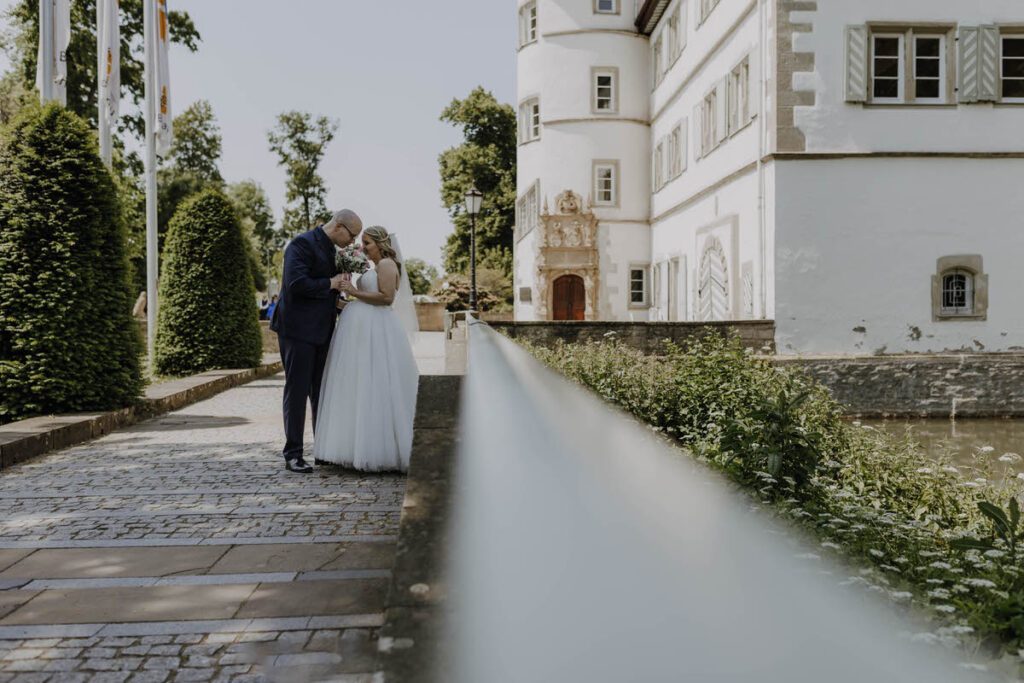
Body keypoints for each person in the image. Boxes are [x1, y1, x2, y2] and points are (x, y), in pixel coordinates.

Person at [313, 226, 420, 472]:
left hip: (378, 328)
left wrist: (354, 292)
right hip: (361, 327)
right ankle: (353, 445)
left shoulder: (387, 265)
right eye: (362, 243)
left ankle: (381, 449)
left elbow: (386, 298)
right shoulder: (374, 267)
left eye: (368, 243)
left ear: (381, 244)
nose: (363, 248)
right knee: (358, 383)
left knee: (378, 382)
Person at [271, 210, 362, 473]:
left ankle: (323, 450)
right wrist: (331, 283)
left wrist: (343, 299)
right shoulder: (301, 244)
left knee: (322, 392)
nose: (353, 241)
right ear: (340, 227)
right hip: (296, 329)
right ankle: (293, 454)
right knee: (297, 390)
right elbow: (295, 284)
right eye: (352, 235)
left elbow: (328, 292)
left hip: (323, 329)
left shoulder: (336, 250)